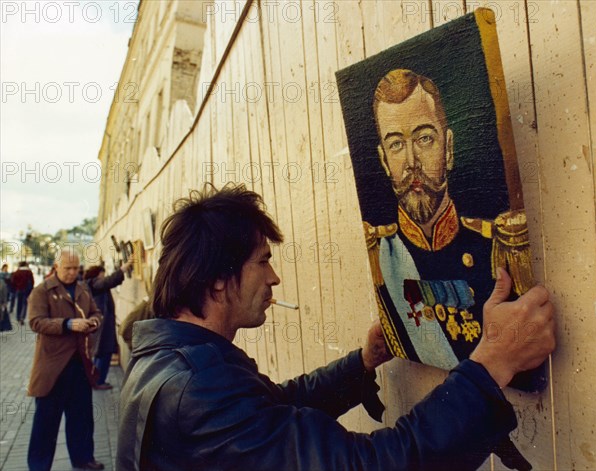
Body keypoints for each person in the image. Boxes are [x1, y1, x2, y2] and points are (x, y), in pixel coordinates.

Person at [116, 184, 555, 470]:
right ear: (217, 278)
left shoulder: (172, 360)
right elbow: (367, 466)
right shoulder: (197, 385)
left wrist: (362, 364)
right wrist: (492, 362)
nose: (274, 278)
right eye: (263, 261)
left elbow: (274, 412)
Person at [365, 68, 536, 371]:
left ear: (449, 149)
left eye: (425, 139)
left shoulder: (497, 247)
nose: (411, 162)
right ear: (384, 161)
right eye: (395, 145)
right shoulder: (383, 255)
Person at [27, 249, 105, 471]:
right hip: (52, 367)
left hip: (80, 364)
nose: (72, 273)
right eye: (67, 268)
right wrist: (67, 324)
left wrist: (93, 322)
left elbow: (97, 312)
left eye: (75, 268)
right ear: (56, 266)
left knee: (81, 416)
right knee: (46, 423)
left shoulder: (82, 288)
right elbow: (36, 322)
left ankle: (83, 460)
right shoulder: (42, 291)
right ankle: (39, 466)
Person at [84, 260, 133, 390]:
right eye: (102, 274)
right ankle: (99, 381)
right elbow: (108, 282)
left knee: (101, 352)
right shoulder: (95, 283)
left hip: (103, 325)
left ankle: (95, 379)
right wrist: (122, 269)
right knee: (104, 352)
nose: (104, 276)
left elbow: (110, 282)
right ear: (97, 274)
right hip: (103, 326)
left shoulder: (92, 284)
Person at [11, 261, 34, 325]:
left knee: (19, 303)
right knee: (25, 304)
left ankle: (18, 317)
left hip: (19, 290)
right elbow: (32, 281)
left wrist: (16, 287)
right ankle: (22, 317)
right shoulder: (29, 272)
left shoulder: (17, 272)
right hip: (27, 290)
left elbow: (13, 281)